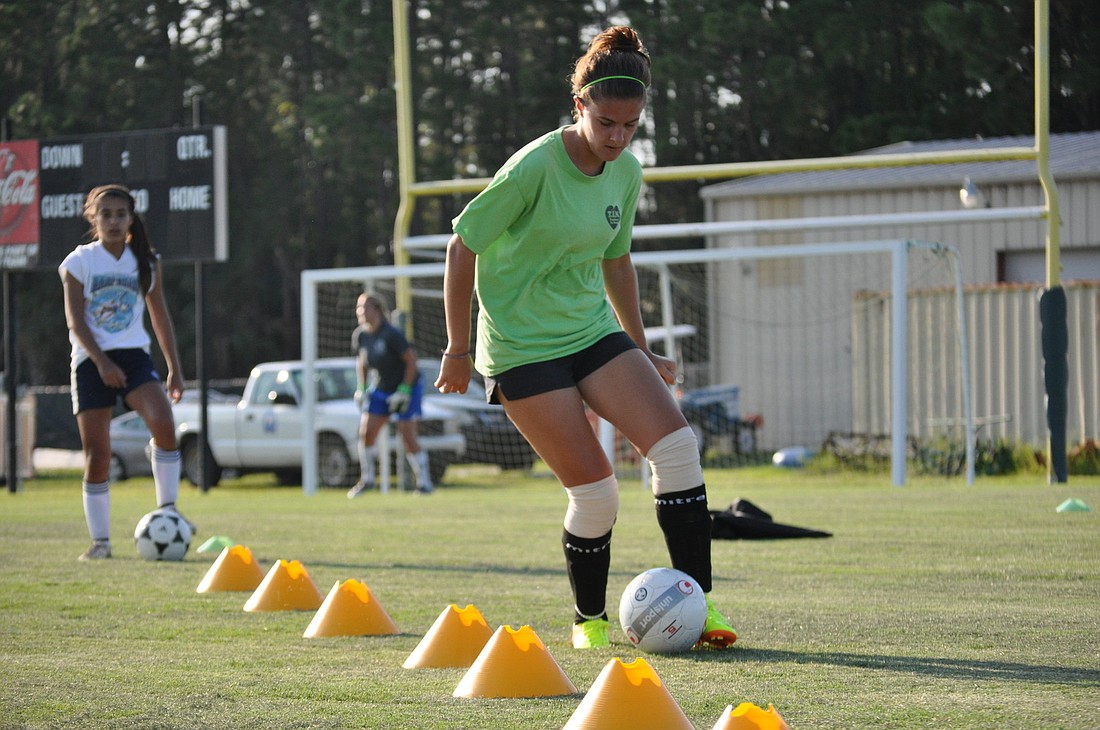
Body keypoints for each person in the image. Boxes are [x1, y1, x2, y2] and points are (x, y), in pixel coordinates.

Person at [435, 26, 737, 650]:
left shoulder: (626, 172)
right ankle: (590, 623)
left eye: (630, 126)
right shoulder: (533, 167)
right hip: (521, 348)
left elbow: (617, 261)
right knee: (597, 493)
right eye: (606, 124)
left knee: (678, 449)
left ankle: (699, 610)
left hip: (591, 331)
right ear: (580, 107)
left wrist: (641, 347)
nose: (618, 138)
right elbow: (461, 245)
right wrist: (458, 350)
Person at [60, 184, 191, 561]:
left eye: (121, 214)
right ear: (93, 218)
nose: (114, 221)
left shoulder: (145, 260)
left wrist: (174, 369)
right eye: (107, 215)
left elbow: (159, 314)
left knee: (164, 423)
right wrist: (102, 363)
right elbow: (76, 321)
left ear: (131, 218)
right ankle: (100, 542)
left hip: (134, 356)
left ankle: (168, 511)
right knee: (98, 454)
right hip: (90, 361)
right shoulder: (79, 261)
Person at [347, 291, 433, 497]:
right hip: (381, 388)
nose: (360, 311)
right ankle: (367, 480)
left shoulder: (391, 334)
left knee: (407, 434)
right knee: (366, 432)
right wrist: (361, 387)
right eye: (358, 307)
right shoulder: (361, 335)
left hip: (407, 387)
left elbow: (411, 362)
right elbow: (362, 362)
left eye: (364, 307)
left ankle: (424, 483)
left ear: (376, 310)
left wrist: (404, 391)